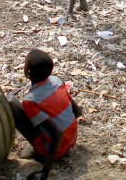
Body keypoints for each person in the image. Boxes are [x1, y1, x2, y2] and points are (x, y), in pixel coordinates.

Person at [8, 49, 82, 180]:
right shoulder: (57, 81)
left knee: (11, 102)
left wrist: (45, 171)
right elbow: (77, 111)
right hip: (72, 140)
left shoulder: (30, 101)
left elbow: (57, 134)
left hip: (54, 151)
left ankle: (40, 151)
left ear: (27, 73)